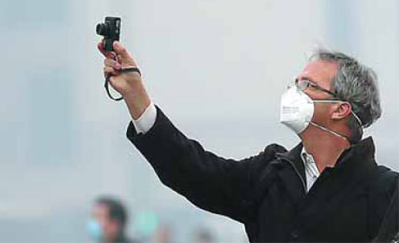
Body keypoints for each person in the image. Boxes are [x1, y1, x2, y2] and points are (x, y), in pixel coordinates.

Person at [98, 40, 399, 242]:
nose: (293, 92)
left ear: (340, 108)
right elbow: (193, 171)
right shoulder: (271, 174)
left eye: (308, 85)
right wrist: (136, 95)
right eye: (294, 84)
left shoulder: (386, 194)